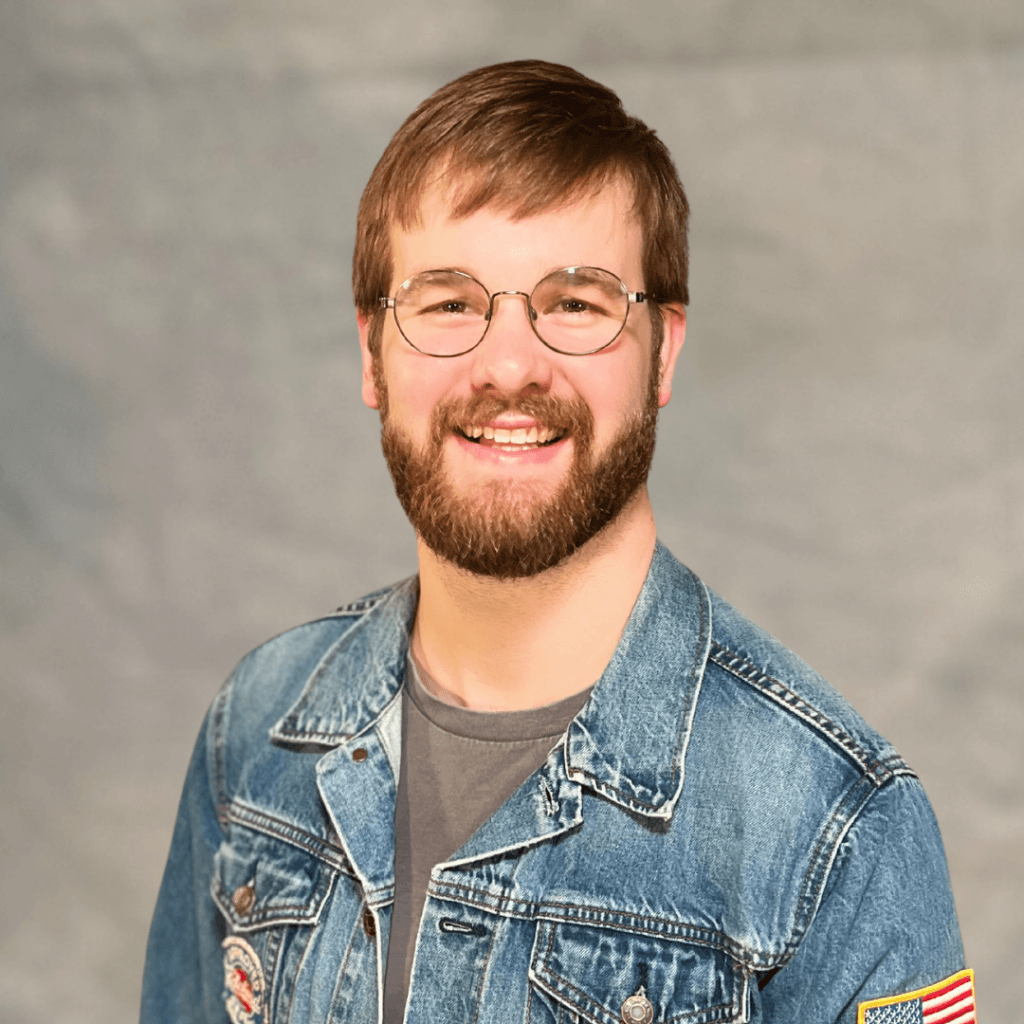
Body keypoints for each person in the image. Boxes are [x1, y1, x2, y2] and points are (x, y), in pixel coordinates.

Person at [142, 61, 974, 1024]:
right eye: (449, 302)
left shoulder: (835, 826)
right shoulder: (256, 728)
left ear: (662, 351)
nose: (507, 365)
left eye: (575, 303)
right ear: (372, 352)